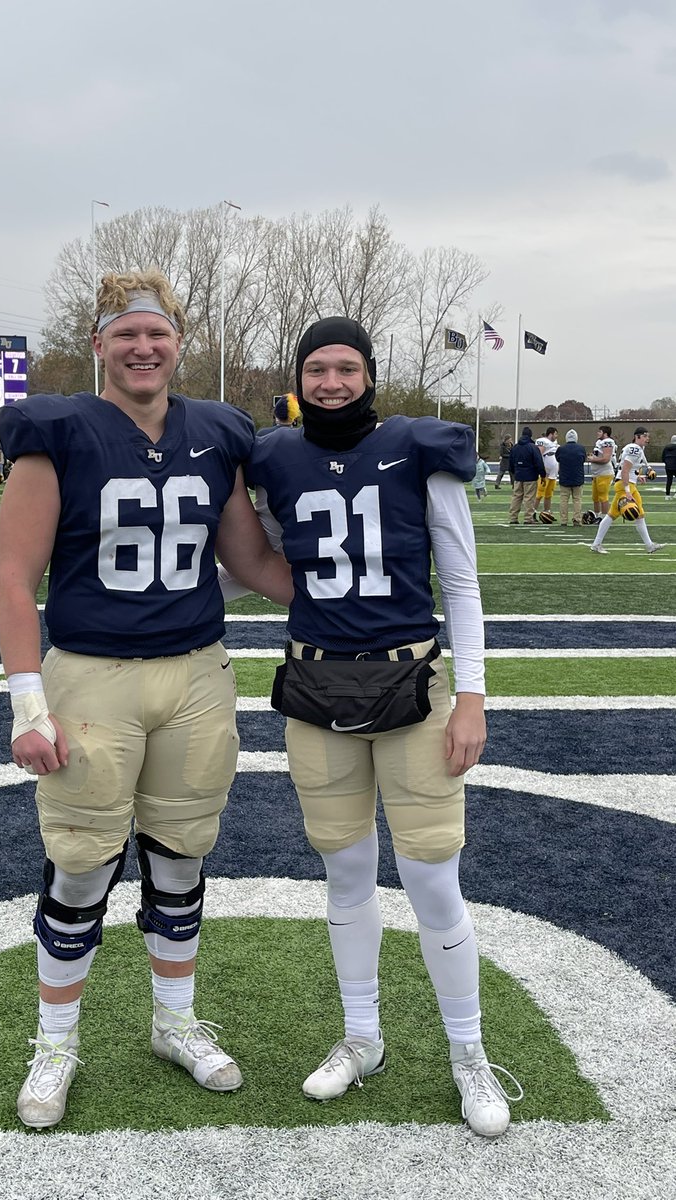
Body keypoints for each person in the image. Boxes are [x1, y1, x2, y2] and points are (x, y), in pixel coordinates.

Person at [0, 269, 293, 1131]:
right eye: (125, 334)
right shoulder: (59, 432)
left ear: (177, 344)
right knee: (83, 863)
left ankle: (174, 1023)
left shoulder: (215, 432)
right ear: (99, 345)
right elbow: (15, 579)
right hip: (92, 674)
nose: (142, 347)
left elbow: (254, 563)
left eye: (156, 334)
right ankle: (55, 1043)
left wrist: (355, 599)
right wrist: (26, 705)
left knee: (181, 857)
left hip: (196, 671)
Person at [239, 316, 520, 1138]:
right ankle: (363, 1037)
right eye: (318, 368)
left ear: (370, 374)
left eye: (346, 367)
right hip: (316, 681)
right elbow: (246, 553)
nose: (332, 381)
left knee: (433, 876)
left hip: (412, 683)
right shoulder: (273, 455)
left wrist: (472, 697)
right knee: (347, 874)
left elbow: (460, 584)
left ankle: (468, 1053)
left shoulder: (418, 448)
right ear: (300, 376)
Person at [590, 427, 664, 555]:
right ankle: (596, 544)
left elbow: (628, 469)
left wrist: (637, 476)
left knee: (636, 514)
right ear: (638, 436)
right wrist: (627, 491)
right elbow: (624, 470)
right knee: (613, 515)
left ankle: (649, 545)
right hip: (625, 486)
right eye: (645, 436)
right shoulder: (633, 449)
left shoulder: (636, 449)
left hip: (628, 484)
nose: (647, 439)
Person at [507, 427, 545, 525]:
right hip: (530, 476)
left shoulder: (515, 447)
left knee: (516, 497)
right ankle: (528, 518)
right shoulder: (533, 447)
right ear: (530, 435)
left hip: (518, 476)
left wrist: (514, 473)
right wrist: (543, 475)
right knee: (529, 498)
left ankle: (513, 517)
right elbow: (539, 462)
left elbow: (510, 462)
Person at [556, 430, 587, 527]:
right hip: (578, 477)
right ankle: (577, 519)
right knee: (577, 499)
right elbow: (583, 459)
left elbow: (558, 459)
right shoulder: (581, 448)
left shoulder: (561, 449)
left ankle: (563, 520)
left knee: (564, 499)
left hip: (564, 477)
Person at [587, 425, 617, 521]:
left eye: (600, 431)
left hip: (604, 473)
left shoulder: (608, 442)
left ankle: (604, 518)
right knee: (595, 497)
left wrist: (593, 459)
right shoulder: (600, 442)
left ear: (605, 433)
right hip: (597, 473)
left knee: (603, 497)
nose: (597, 433)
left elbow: (606, 459)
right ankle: (597, 516)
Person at [534, 426, 559, 518]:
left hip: (553, 473)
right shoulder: (543, 441)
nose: (557, 436)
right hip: (545, 472)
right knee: (539, 493)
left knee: (549, 494)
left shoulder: (554, 443)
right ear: (551, 433)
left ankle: (547, 512)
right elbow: (539, 455)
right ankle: (532, 512)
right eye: (556, 434)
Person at [662, 434, 676, 499]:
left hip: (668, 466)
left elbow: (663, 457)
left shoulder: (666, 447)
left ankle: (667, 495)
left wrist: (667, 463)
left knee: (669, 480)